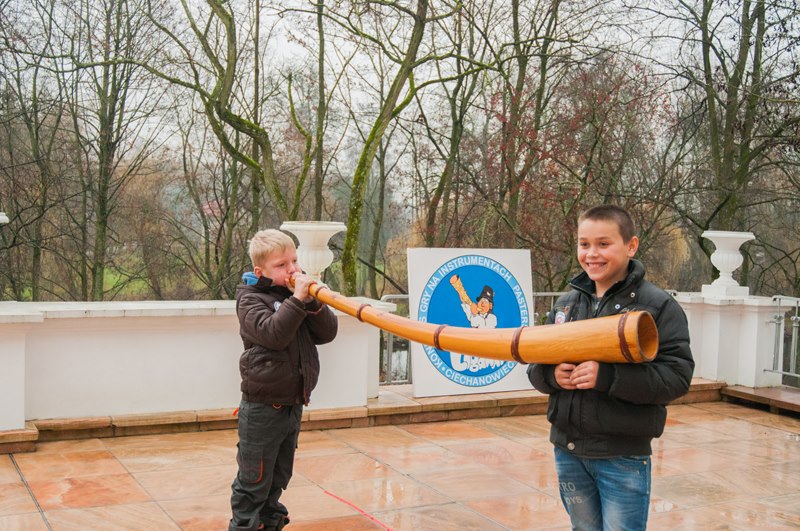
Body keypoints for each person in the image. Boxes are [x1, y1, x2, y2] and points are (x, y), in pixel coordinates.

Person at [527, 205, 694, 531]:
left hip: (622, 457)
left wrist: (608, 377)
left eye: (604, 244)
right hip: (567, 452)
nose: (592, 254)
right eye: (584, 244)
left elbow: (676, 378)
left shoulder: (658, 307)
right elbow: (536, 364)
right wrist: (551, 376)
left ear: (631, 246)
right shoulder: (565, 305)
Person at [229, 229, 338, 531]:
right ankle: (244, 526)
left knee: (278, 475)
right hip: (262, 408)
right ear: (259, 271)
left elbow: (327, 333)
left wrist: (313, 303)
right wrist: (298, 300)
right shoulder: (249, 299)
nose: (292, 270)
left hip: (292, 403)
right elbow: (273, 334)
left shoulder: (294, 298)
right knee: (253, 480)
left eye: (294, 261)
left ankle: (269, 523)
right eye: (281, 265)